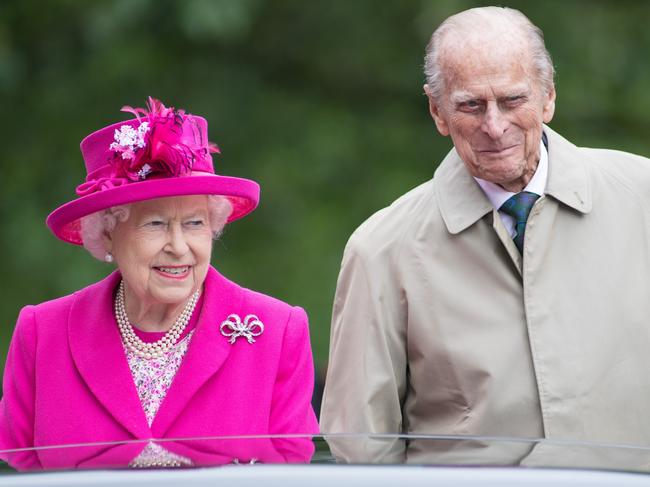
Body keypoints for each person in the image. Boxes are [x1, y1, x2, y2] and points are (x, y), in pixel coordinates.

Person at [320, 6, 650, 463]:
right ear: (437, 111)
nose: (494, 127)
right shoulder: (382, 249)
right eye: (470, 105)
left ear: (548, 97)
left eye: (513, 100)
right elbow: (361, 446)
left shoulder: (642, 199)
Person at [0, 97, 318, 470]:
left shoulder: (277, 331)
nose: (179, 247)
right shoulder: (43, 333)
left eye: (195, 224)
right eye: (155, 224)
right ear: (107, 233)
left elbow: (291, 474)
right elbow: (14, 469)